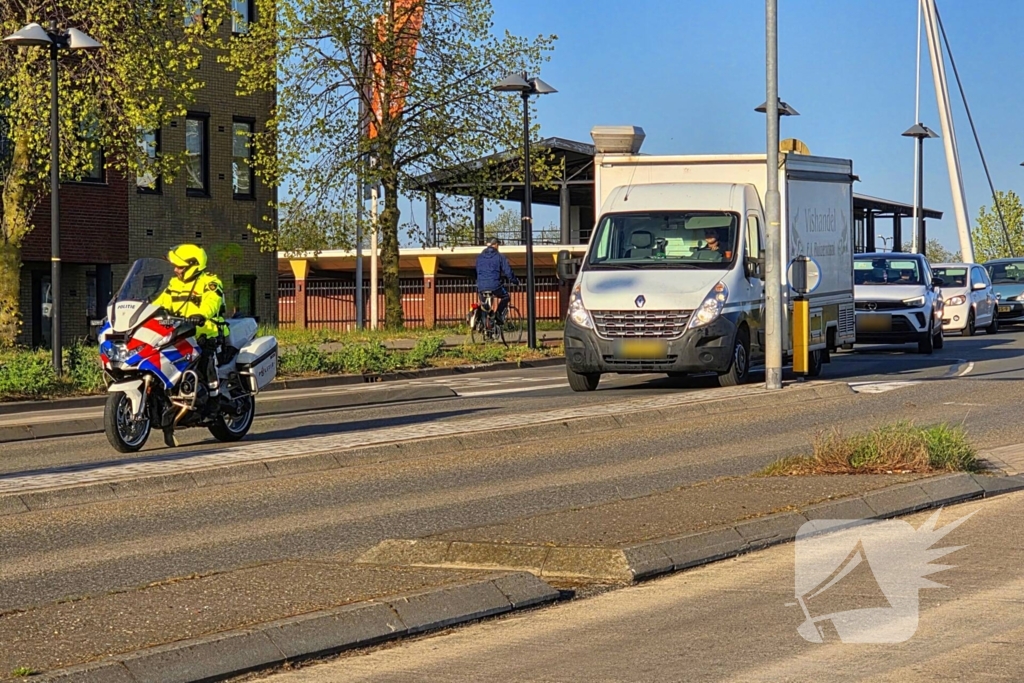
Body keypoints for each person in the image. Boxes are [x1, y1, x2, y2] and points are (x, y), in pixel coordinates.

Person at [152, 244, 227, 397]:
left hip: (206, 333)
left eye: (180, 267)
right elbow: (159, 303)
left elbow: (212, 302)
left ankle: (214, 398)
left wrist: (201, 314)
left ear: (193, 266)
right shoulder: (174, 284)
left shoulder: (210, 282)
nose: (175, 270)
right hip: (181, 333)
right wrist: (145, 312)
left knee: (206, 360)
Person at [475, 237, 520, 324]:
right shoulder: (500, 256)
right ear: (495, 245)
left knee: (485, 305)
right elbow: (508, 272)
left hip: (481, 286)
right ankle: (498, 314)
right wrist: (515, 281)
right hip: (495, 285)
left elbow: (477, 271)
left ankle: (485, 324)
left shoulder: (479, 257)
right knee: (506, 297)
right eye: (498, 245)